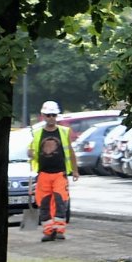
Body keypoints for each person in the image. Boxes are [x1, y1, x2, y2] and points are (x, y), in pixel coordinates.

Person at [30, 101, 79, 242]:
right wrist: (30, 154)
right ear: (43, 116)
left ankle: (59, 230)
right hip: (43, 174)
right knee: (43, 203)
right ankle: (48, 231)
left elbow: (70, 152)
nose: (51, 118)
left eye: (53, 115)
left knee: (60, 201)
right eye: (48, 115)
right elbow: (33, 152)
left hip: (59, 174)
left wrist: (75, 170)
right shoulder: (37, 133)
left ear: (57, 116)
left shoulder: (63, 132)